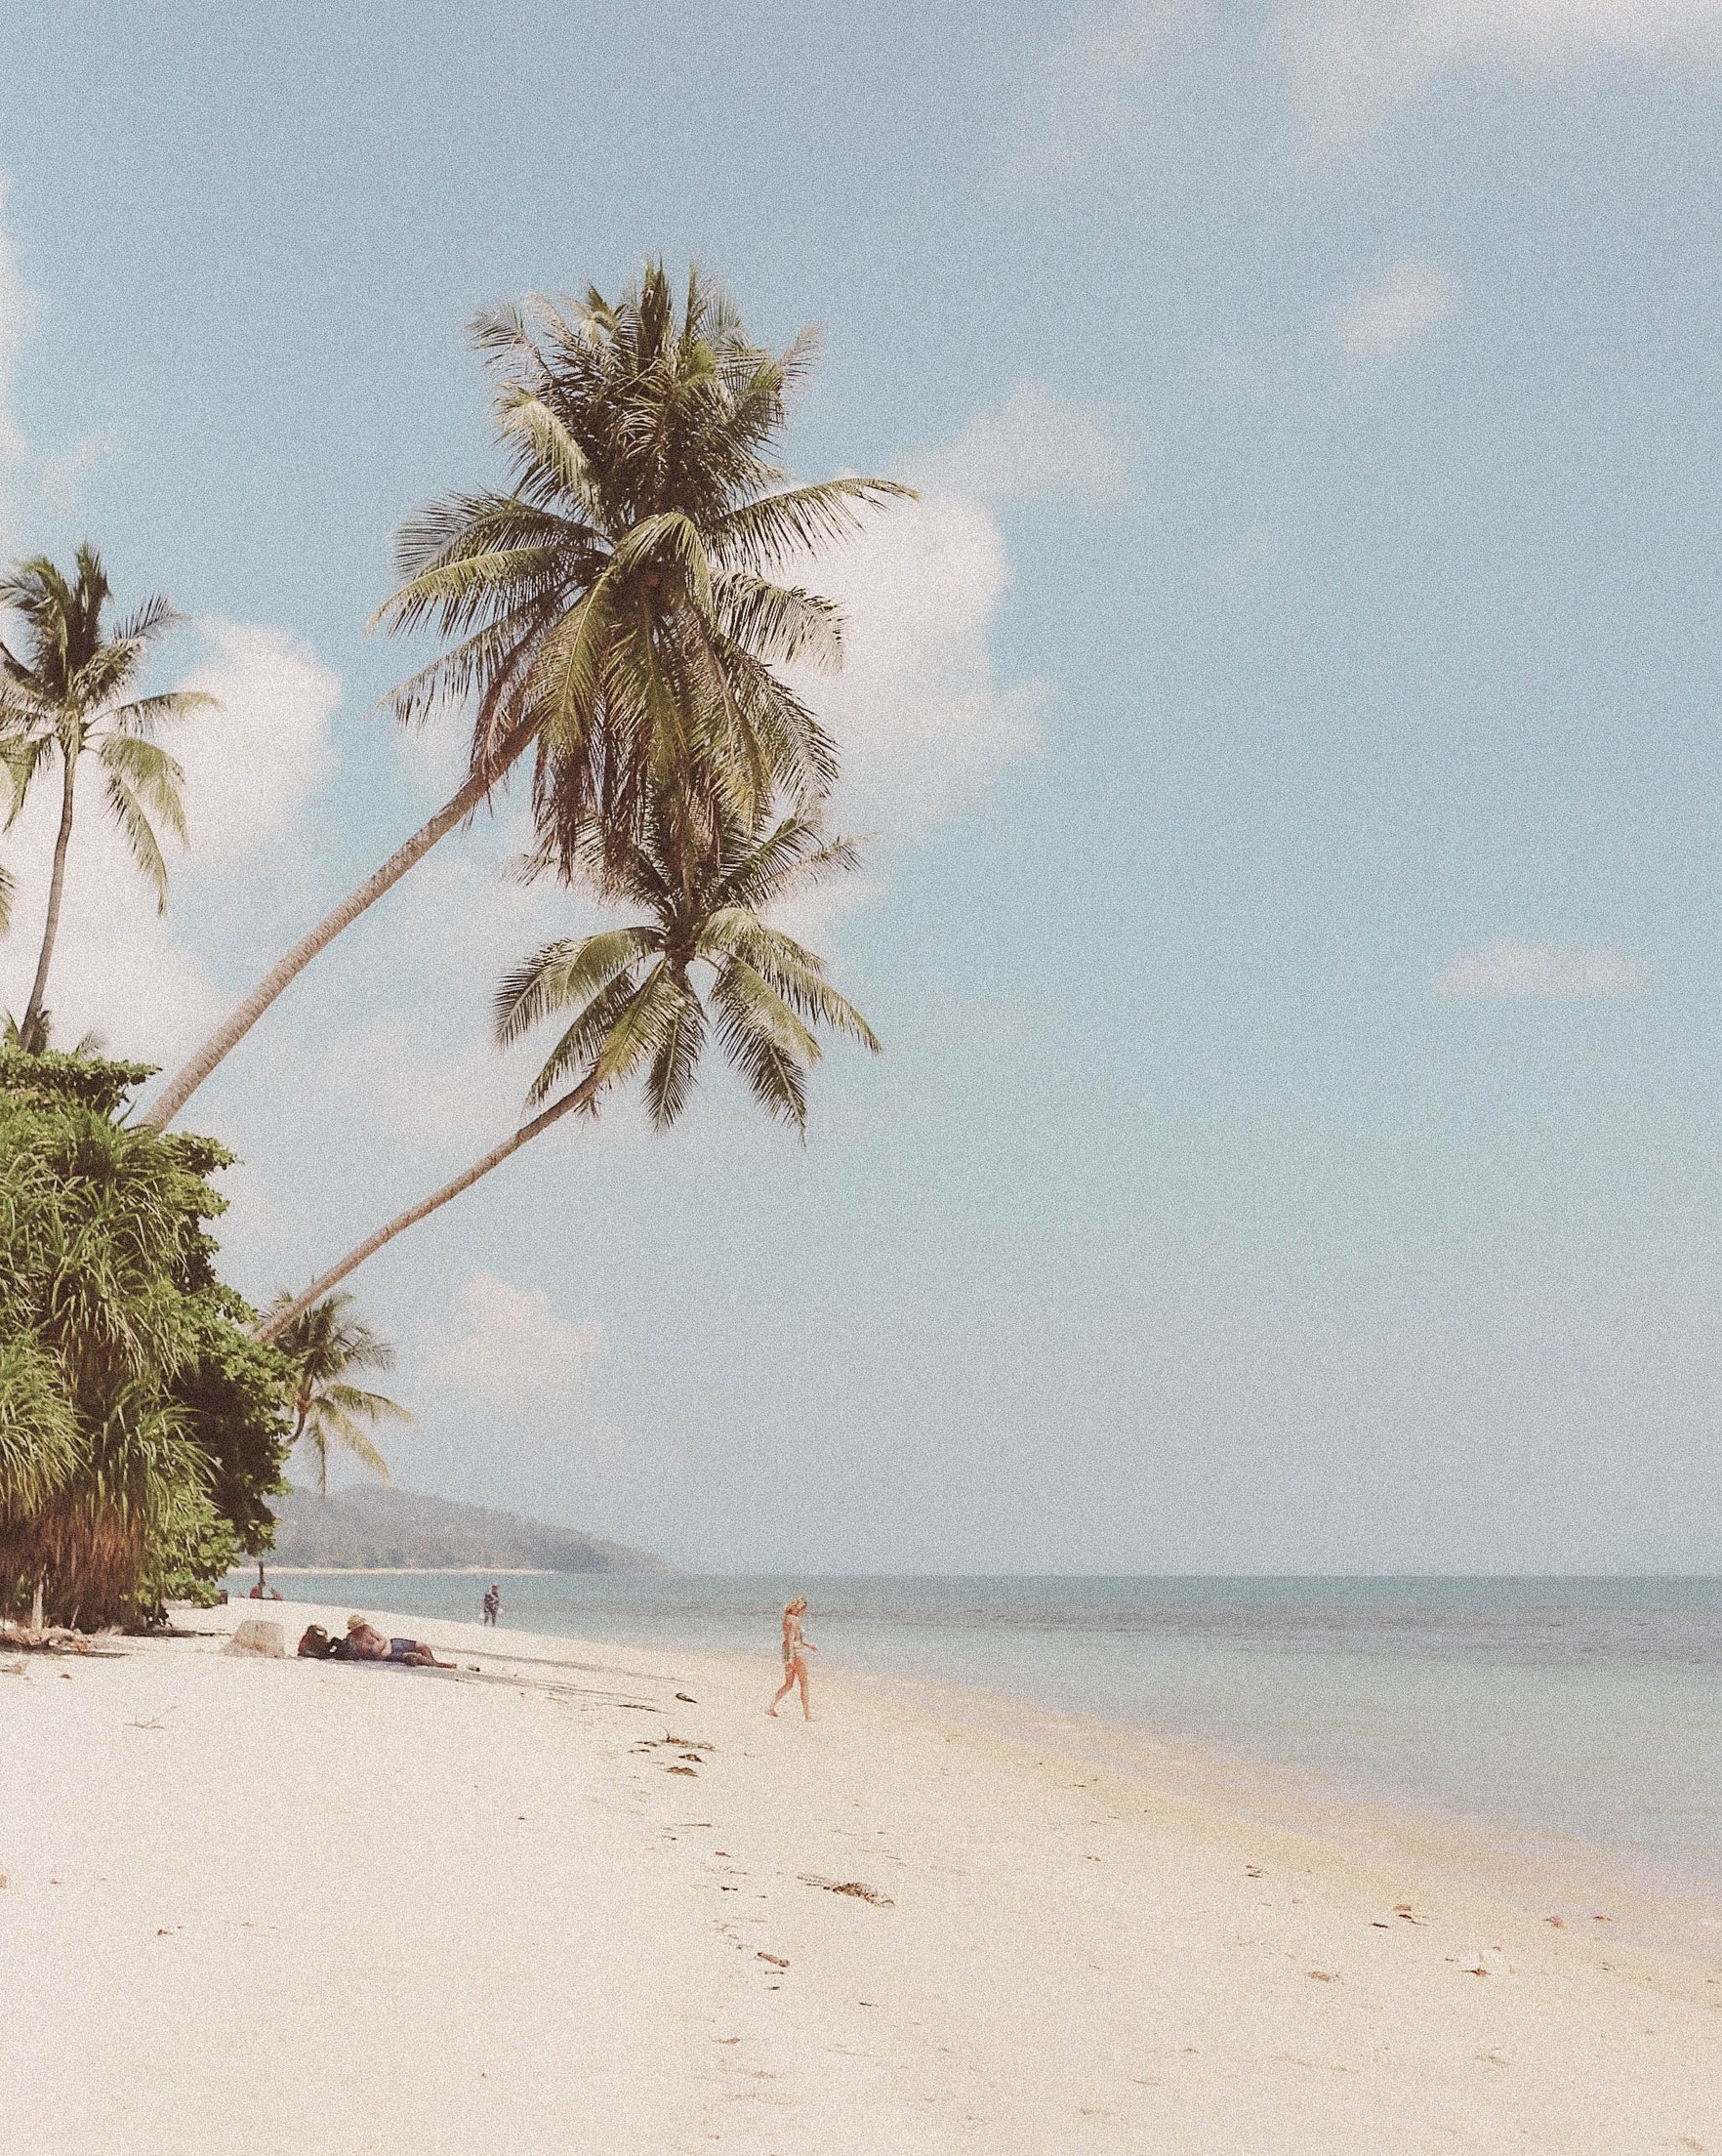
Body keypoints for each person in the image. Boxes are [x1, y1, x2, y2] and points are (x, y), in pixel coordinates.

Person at [767, 1596, 817, 1721]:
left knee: (789, 1684)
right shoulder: (794, 1619)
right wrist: (790, 1658)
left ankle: (771, 1707)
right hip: (796, 1653)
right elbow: (791, 1638)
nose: (804, 1612)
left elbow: (794, 1638)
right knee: (804, 1683)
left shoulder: (787, 1618)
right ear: (800, 1608)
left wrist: (808, 1645)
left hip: (788, 1651)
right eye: (804, 1609)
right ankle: (807, 1716)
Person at [343, 1614, 454, 1669]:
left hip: (392, 1643)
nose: (361, 1628)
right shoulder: (352, 1639)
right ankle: (439, 1665)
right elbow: (366, 1654)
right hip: (388, 1654)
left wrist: (378, 1646)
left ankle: (433, 1662)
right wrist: (377, 1649)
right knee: (413, 1656)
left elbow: (382, 1638)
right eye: (359, 1626)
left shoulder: (367, 1629)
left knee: (422, 1646)